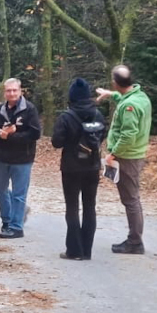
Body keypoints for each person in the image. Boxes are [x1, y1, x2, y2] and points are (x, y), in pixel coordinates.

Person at [96, 65, 152, 254]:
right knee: (131, 198)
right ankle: (135, 239)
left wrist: (113, 153)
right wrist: (111, 94)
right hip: (134, 155)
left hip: (127, 157)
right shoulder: (140, 97)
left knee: (131, 200)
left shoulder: (130, 106)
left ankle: (135, 242)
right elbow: (125, 98)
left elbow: (129, 134)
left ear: (115, 81)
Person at [51, 78, 106, 260]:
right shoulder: (98, 115)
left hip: (71, 167)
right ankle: (87, 251)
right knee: (90, 207)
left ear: (71, 97)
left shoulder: (66, 117)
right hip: (92, 166)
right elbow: (101, 137)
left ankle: (74, 250)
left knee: (72, 207)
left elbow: (56, 142)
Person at [0, 78, 41, 239]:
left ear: (20, 91)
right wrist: (0, 134)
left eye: (14, 90)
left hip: (22, 158)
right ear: (4, 92)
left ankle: (16, 227)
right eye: (8, 91)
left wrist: (12, 135)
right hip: (0, 157)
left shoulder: (29, 109)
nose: (11, 93)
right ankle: (6, 220)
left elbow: (35, 133)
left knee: (19, 194)